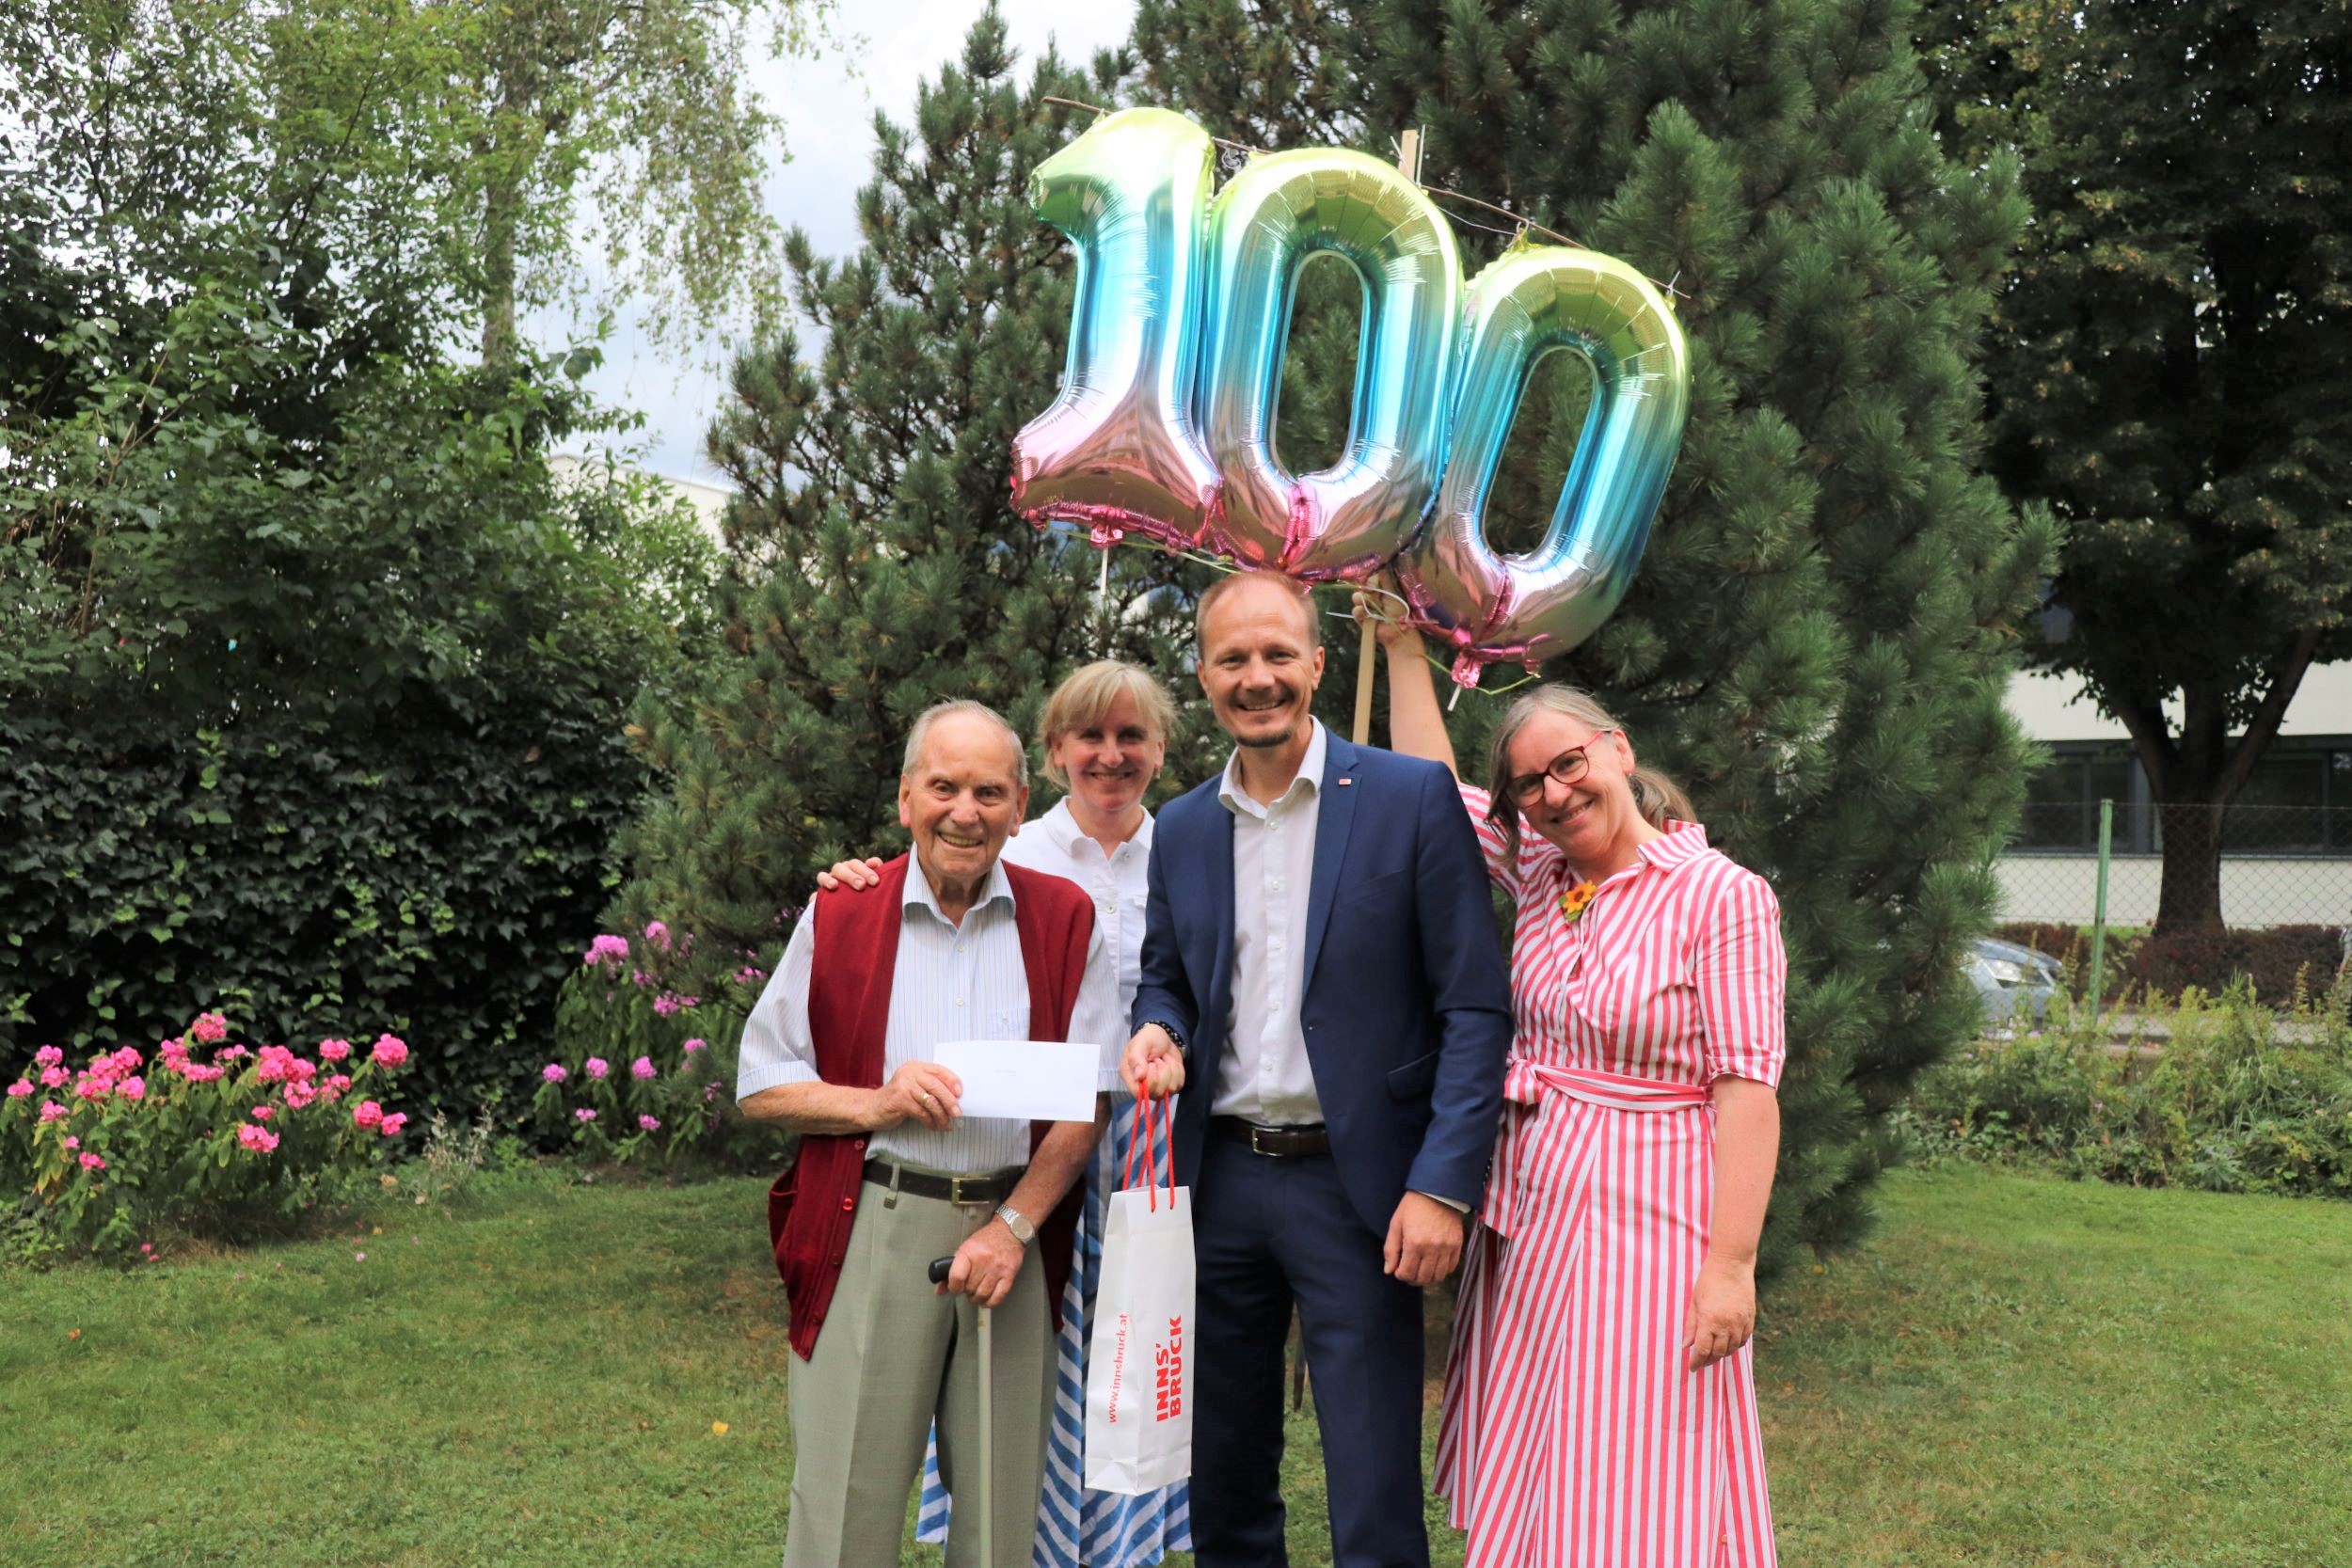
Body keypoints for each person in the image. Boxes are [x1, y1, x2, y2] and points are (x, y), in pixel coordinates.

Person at [1359, 600, 1788, 1568]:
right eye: (1528, 785)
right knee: (1553, 1452)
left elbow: (1747, 1091)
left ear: (1617, 749)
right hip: (1535, 1230)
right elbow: (1436, 791)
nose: (1552, 793)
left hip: (1654, 1235)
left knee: (1635, 1459)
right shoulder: (1548, 875)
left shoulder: (1720, 894)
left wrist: (1731, 1264)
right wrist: (1398, 645)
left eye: (1567, 764)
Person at [1119, 572, 1513, 1568]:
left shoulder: (1406, 797)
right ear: (1203, 675)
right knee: (1225, 1468)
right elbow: (1167, 974)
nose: (1258, 678)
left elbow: (1473, 1003)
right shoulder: (1183, 826)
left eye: (1277, 655)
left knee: (1372, 1474)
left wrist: (1439, 1183)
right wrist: (1159, 1027)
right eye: (1233, 659)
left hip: (1363, 1182)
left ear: (1318, 663)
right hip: (1223, 1182)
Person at [818, 660, 1195, 1566]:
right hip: (1017, 1161)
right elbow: (929, 885)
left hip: (1142, 1158)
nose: (1110, 755)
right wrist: (854, 879)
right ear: (1054, 754)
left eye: (1131, 735)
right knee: (1012, 1395)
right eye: (1089, 735)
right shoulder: (1011, 850)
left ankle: (1114, 1550)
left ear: (1159, 750)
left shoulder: (1189, 849)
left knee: (1130, 1371)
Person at [738, 699, 1124, 1568]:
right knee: (846, 1507)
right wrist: (873, 1103)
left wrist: (1013, 1227)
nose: (966, 811)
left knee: (997, 1519)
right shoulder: (842, 912)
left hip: (1012, 1242)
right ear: (906, 797)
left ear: (1021, 804)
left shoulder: (1065, 919)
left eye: (989, 791)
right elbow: (762, 1083)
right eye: (944, 787)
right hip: (874, 1222)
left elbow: (1085, 1104)